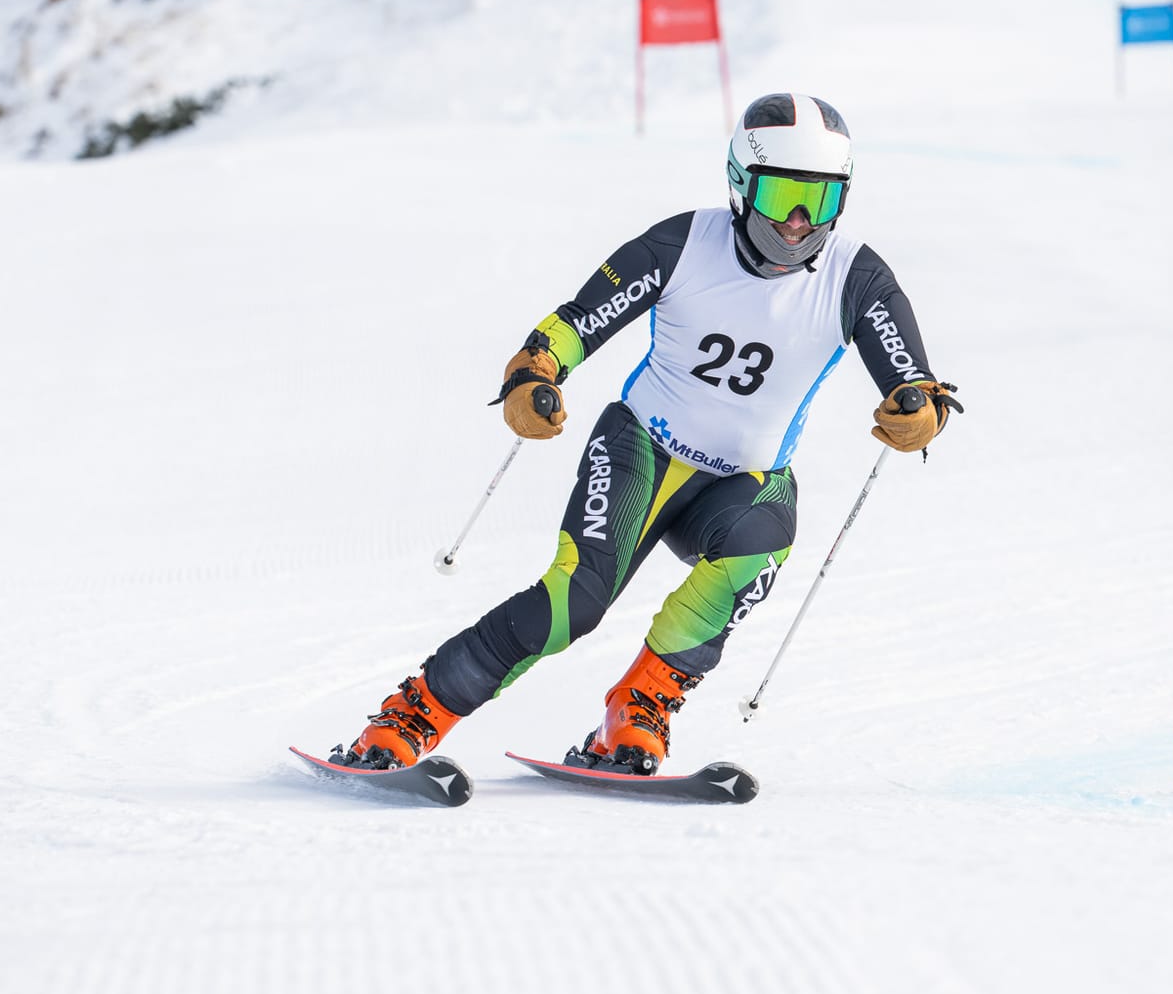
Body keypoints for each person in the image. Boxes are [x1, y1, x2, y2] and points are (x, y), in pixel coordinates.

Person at [330, 93, 961, 775]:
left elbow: (915, 383)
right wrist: (533, 375)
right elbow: (577, 322)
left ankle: (635, 712)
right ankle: (411, 715)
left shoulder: (856, 277)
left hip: (743, 483)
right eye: (782, 195)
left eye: (822, 199)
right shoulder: (684, 243)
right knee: (573, 604)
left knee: (760, 548)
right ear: (742, 184)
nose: (798, 222)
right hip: (641, 452)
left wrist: (919, 412)